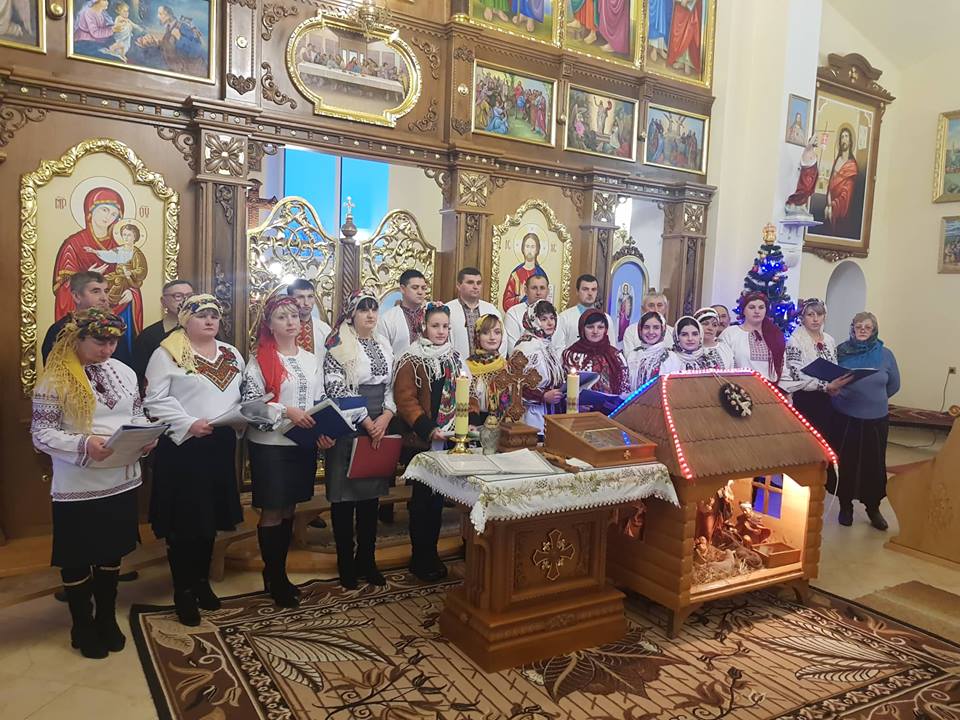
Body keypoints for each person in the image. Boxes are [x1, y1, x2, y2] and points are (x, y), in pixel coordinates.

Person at [31, 309, 155, 659]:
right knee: (78, 555)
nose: (108, 349)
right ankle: (82, 623)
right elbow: (40, 434)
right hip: (79, 483)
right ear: (77, 338)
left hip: (121, 478)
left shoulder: (125, 372)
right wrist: (85, 444)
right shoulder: (55, 379)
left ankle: (106, 617)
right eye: (100, 341)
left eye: (113, 342)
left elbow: (136, 414)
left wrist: (146, 435)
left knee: (110, 551)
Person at [144, 295, 245, 626]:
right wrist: (189, 423)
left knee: (209, 518)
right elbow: (154, 400)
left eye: (214, 315)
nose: (210, 320)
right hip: (184, 447)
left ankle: (201, 582)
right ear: (185, 319)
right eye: (201, 315)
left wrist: (244, 414)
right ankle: (183, 590)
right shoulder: (167, 354)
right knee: (185, 522)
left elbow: (241, 394)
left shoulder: (231, 353)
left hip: (219, 443)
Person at [243, 296, 341, 607]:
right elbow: (251, 406)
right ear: (269, 324)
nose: (290, 322)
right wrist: (287, 411)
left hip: (302, 443)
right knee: (273, 510)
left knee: (290, 509)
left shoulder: (311, 359)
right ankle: (273, 576)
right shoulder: (259, 360)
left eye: (295, 316)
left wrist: (323, 431)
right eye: (282, 317)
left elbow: (320, 399)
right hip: (271, 446)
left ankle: (279, 572)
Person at [323, 292, 396, 589]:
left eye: (373, 309)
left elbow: (392, 385)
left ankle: (367, 559)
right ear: (351, 314)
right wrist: (365, 420)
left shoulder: (384, 343)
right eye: (363, 309)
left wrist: (387, 416)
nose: (370, 315)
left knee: (370, 497)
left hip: (379, 423)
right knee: (344, 498)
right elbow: (336, 388)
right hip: (348, 424)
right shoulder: (337, 344)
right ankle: (346, 562)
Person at [394, 304, 471, 581]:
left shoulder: (454, 358)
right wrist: (429, 430)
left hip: (447, 439)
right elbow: (405, 400)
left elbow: (467, 392)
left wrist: (467, 421)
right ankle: (420, 556)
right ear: (423, 326)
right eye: (435, 326)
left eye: (445, 327)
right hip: (421, 440)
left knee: (437, 500)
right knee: (421, 501)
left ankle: (433, 553)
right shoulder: (411, 359)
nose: (441, 331)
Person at [829, 312, 900, 530]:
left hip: (876, 420)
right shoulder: (840, 352)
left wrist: (872, 400)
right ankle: (845, 506)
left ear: (874, 330)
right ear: (852, 328)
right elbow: (830, 380)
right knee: (846, 463)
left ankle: (873, 507)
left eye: (867, 327)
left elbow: (894, 385)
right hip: (846, 417)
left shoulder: (886, 354)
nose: (862, 330)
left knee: (873, 465)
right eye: (858, 326)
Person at [511, 301, 565, 432]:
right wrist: (543, 396)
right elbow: (515, 384)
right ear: (533, 320)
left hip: (552, 412)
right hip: (532, 415)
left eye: (552, 318)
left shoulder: (547, 344)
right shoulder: (525, 347)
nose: (550, 323)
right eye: (544, 319)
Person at [132, 278, 193, 387]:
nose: (185, 300)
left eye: (189, 296)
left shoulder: (204, 331)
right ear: (163, 301)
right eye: (178, 296)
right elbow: (139, 376)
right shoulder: (148, 336)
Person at [42, 271, 112, 364]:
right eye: (96, 291)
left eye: (106, 291)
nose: (104, 298)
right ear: (77, 296)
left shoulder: (114, 328)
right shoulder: (59, 331)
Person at [719, 291, 785, 382]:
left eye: (761, 307)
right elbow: (723, 365)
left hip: (771, 387)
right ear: (743, 310)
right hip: (739, 387)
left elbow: (783, 367)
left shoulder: (775, 335)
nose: (757, 311)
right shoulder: (730, 333)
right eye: (752, 307)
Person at [562, 309, 629, 395]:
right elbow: (563, 386)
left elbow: (625, 387)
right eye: (590, 327)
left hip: (611, 403)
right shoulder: (570, 355)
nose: (595, 331)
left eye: (600, 327)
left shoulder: (616, 355)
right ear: (582, 329)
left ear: (606, 329)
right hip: (577, 403)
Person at [445, 267, 500, 360]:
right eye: (470, 282)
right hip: (457, 365)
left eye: (478, 283)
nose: (475, 286)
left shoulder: (491, 309)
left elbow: (502, 341)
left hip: (488, 365)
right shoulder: (448, 310)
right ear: (458, 285)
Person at [553, 274, 616, 350]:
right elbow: (558, 347)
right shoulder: (564, 317)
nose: (590, 293)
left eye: (593, 289)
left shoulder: (606, 318)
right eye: (585, 289)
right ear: (577, 291)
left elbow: (612, 347)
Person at [375, 269, 429, 356]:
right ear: (403, 289)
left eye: (423, 288)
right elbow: (383, 353)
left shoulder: (430, 314)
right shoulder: (388, 319)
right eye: (415, 288)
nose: (420, 292)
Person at [468, 314, 506, 424]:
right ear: (477, 336)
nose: (492, 337)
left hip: (501, 424)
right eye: (485, 333)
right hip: (473, 423)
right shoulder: (467, 367)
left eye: (497, 332)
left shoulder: (506, 367)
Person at [657, 316, 726, 374]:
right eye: (684, 334)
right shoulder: (668, 358)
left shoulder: (710, 358)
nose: (690, 338)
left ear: (700, 336)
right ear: (677, 337)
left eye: (695, 334)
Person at [287, 279, 333, 362]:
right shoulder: (283, 327)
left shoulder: (324, 329)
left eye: (310, 296)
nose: (306, 303)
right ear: (290, 299)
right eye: (300, 297)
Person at [825, 126, 858, 235]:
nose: (844, 139)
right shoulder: (837, 160)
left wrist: (833, 206)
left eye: (846, 136)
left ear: (850, 141)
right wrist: (829, 204)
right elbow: (830, 184)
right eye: (842, 137)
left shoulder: (852, 166)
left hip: (842, 211)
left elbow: (846, 193)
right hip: (830, 206)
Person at [504, 274, 549, 354]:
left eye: (542, 288)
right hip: (523, 360)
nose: (538, 292)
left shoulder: (554, 315)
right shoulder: (513, 313)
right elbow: (513, 350)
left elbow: (558, 347)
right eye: (534, 288)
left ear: (548, 291)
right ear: (525, 290)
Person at [502, 233, 548, 311]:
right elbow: (506, 303)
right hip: (518, 315)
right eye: (527, 246)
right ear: (523, 249)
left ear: (537, 250)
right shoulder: (515, 274)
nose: (529, 250)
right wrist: (520, 297)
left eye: (532, 247)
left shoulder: (541, 274)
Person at [626, 310, 669, 387]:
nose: (651, 332)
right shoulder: (633, 355)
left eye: (656, 327)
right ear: (640, 330)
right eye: (646, 327)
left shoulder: (670, 357)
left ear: (662, 330)